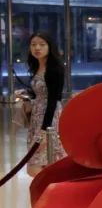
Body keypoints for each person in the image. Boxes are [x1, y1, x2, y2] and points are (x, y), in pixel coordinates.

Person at [18, 32, 66, 178]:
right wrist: (27, 94)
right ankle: (50, 188)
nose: (37, 48)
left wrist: (45, 129)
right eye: (33, 44)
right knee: (43, 162)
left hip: (50, 116)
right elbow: (40, 92)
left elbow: (53, 99)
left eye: (42, 44)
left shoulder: (54, 69)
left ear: (49, 47)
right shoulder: (37, 66)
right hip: (37, 115)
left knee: (37, 165)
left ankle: (52, 187)